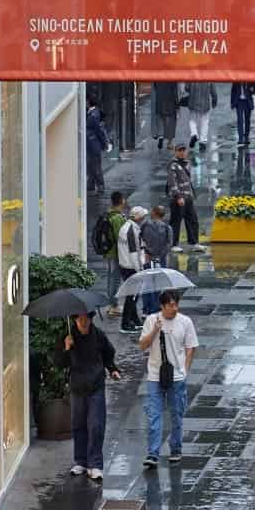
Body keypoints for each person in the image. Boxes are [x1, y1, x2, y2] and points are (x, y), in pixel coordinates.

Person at [139, 289, 197, 469]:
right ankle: (153, 453)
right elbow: (142, 346)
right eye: (171, 305)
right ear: (162, 306)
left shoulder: (185, 322)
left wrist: (185, 369)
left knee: (176, 414)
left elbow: (191, 346)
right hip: (155, 376)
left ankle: (176, 449)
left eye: (176, 304)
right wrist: (155, 330)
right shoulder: (151, 321)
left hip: (177, 377)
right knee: (154, 415)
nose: (174, 308)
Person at [64, 311, 120, 481]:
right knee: (78, 424)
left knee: (96, 425)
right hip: (77, 387)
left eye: (86, 318)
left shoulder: (98, 336)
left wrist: (113, 369)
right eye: (79, 318)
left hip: (96, 386)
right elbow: (59, 362)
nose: (83, 321)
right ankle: (81, 461)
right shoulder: (69, 337)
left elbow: (108, 353)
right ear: (75, 320)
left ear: (90, 318)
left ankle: (95, 464)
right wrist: (66, 348)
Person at [117, 205, 148, 333]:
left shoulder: (126, 227)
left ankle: (134, 320)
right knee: (132, 297)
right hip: (131, 267)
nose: (144, 218)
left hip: (125, 265)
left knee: (132, 295)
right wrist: (140, 270)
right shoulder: (132, 231)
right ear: (139, 217)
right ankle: (125, 324)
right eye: (143, 216)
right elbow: (134, 253)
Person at [139, 204, 172, 315]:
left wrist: (147, 252)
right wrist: (159, 256)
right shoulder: (167, 228)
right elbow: (168, 244)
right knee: (158, 284)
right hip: (160, 259)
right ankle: (155, 307)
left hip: (147, 258)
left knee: (146, 284)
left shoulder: (145, 225)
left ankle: (146, 309)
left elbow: (140, 239)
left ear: (154, 213)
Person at [167, 143, 200, 249]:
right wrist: (178, 196)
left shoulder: (187, 163)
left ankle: (194, 242)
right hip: (179, 198)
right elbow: (172, 182)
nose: (182, 153)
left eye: (183, 150)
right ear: (176, 152)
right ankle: (173, 244)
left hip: (188, 197)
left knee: (193, 220)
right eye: (179, 150)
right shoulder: (173, 165)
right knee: (176, 221)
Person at [102, 190, 129, 302]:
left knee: (111, 276)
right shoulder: (117, 218)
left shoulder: (109, 214)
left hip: (108, 250)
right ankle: (113, 303)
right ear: (121, 201)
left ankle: (111, 300)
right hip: (116, 251)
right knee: (115, 278)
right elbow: (121, 237)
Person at [86, 102, 108, 196]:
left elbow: (99, 131)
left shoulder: (94, 114)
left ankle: (100, 187)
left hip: (94, 144)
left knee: (95, 166)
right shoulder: (92, 113)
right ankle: (90, 186)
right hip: (91, 144)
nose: (86, 103)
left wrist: (104, 143)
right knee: (91, 166)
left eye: (87, 101)